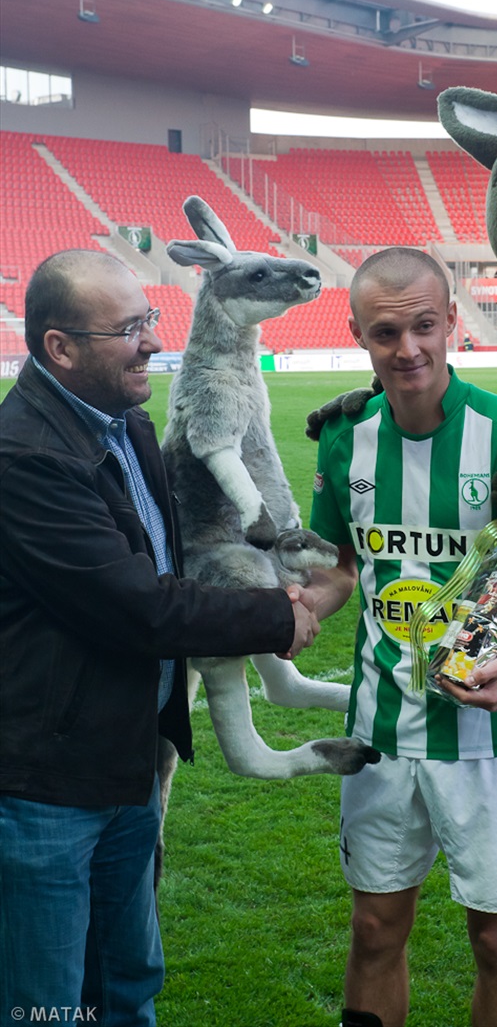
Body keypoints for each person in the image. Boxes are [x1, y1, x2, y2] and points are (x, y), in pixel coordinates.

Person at [0, 249, 319, 1027]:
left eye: (149, 319)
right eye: (128, 329)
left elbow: (179, 552)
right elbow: (136, 605)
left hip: (131, 758)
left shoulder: (131, 423)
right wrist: (278, 614)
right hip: (51, 783)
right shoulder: (24, 456)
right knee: (48, 1004)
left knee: (129, 985)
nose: (152, 341)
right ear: (60, 349)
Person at [302, 248, 497, 1027]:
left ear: (452, 322)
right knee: (372, 930)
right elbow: (337, 567)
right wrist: (300, 609)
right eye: (386, 332)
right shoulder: (343, 439)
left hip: (491, 736)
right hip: (381, 734)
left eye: (425, 326)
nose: (409, 350)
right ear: (358, 333)